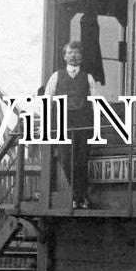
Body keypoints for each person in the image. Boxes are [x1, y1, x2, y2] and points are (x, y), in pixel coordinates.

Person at [43, 41, 99, 209]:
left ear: (81, 56)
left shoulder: (88, 78)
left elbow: (96, 103)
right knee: (67, 161)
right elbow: (47, 101)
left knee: (82, 161)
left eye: (77, 53)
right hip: (64, 127)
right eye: (70, 53)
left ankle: (79, 198)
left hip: (84, 126)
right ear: (64, 56)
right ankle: (79, 196)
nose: (73, 56)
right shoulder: (56, 76)